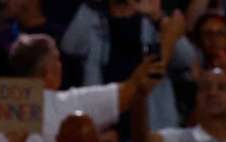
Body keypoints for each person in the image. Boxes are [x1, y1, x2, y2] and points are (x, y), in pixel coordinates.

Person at [0, 33, 162, 142]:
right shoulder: (68, 106)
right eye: (57, 59)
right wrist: (169, 40)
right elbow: (135, 89)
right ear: (48, 70)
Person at [60, 1, 195, 130]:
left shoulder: (151, 23)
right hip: (106, 128)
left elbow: (186, 59)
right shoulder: (94, 20)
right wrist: (91, 4)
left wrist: (157, 19)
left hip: (150, 127)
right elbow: (69, 46)